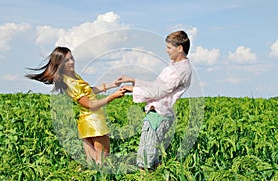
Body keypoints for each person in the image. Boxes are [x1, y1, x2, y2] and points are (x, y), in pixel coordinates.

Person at [26, 46, 125, 164]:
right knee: (102, 160)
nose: (71, 62)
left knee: (92, 161)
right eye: (66, 60)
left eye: (71, 58)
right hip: (94, 121)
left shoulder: (73, 76)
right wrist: (112, 97)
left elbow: (89, 91)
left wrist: (112, 85)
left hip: (87, 122)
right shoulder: (70, 83)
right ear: (60, 64)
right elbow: (90, 105)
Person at [116, 30, 192, 170]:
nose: (166, 51)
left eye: (169, 48)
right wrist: (133, 81)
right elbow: (157, 86)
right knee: (152, 157)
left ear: (180, 48)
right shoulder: (176, 67)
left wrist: (132, 89)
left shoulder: (182, 70)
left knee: (145, 159)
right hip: (155, 114)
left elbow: (159, 91)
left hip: (159, 115)